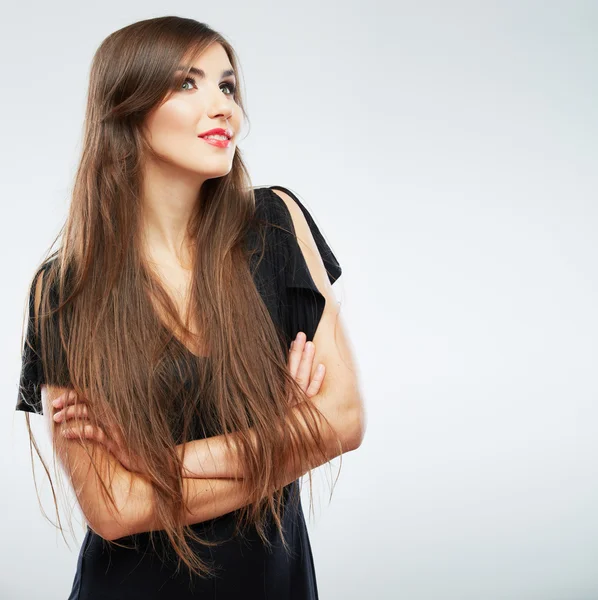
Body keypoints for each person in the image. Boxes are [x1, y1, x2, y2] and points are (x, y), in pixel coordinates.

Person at [16, 15, 365, 600]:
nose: (222, 105)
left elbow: (345, 421)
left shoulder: (276, 225)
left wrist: (154, 460)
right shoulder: (64, 290)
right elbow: (114, 508)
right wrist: (287, 433)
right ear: (127, 109)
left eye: (227, 86)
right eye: (187, 83)